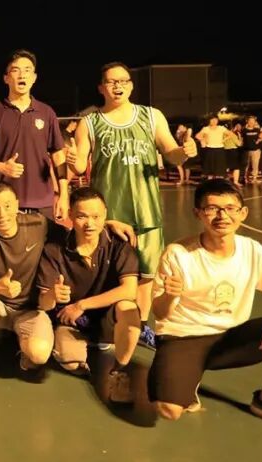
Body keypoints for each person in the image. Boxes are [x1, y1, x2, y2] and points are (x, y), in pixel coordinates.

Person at [150, 179, 262, 441]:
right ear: (198, 213)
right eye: (212, 209)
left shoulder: (251, 250)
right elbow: (161, 314)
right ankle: (187, 377)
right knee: (169, 410)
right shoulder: (178, 254)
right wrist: (170, 294)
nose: (222, 216)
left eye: (230, 208)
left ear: (243, 213)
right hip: (184, 338)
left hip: (230, 337)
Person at [68, 61, 198, 336]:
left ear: (131, 85)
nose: (118, 86)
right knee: (107, 272)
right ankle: (102, 323)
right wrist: (71, 159)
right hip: (107, 216)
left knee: (146, 276)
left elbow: (171, 153)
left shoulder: (151, 116)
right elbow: (79, 166)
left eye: (123, 81)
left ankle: (141, 324)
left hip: (146, 212)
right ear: (101, 87)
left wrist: (184, 151)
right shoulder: (89, 123)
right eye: (112, 81)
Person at [37, 187, 142, 403]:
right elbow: (44, 303)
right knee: (71, 361)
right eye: (82, 216)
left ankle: (120, 372)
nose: (90, 224)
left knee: (129, 309)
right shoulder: (54, 250)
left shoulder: (119, 244)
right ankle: (92, 347)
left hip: (107, 317)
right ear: (70, 215)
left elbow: (129, 290)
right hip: (72, 321)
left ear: (105, 215)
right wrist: (52, 295)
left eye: (96, 217)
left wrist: (81, 305)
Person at [0, 49, 68, 221]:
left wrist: (64, 194)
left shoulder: (47, 112)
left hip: (42, 203)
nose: (22, 75)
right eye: (15, 70)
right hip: (3, 203)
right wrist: (2, 167)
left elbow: (58, 155)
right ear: (6, 78)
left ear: (34, 77)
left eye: (27, 70)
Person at [242, 116, 262, 184]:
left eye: (253, 121)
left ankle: (254, 178)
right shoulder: (244, 130)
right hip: (246, 150)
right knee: (246, 165)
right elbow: (241, 139)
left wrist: (259, 140)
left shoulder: (257, 129)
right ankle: (245, 178)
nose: (251, 122)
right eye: (250, 121)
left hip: (256, 150)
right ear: (247, 122)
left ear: (255, 122)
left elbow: (261, 137)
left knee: (255, 165)